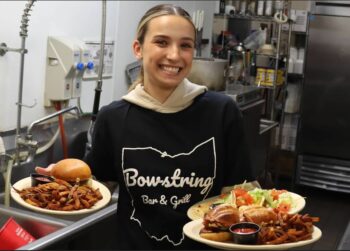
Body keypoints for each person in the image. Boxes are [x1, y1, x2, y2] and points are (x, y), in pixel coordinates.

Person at [36, 4, 252, 249]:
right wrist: (63, 181)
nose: (174, 55)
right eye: (161, 42)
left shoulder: (221, 112)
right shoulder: (114, 117)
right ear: (138, 48)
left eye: (185, 45)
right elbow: (95, 187)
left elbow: (242, 195)